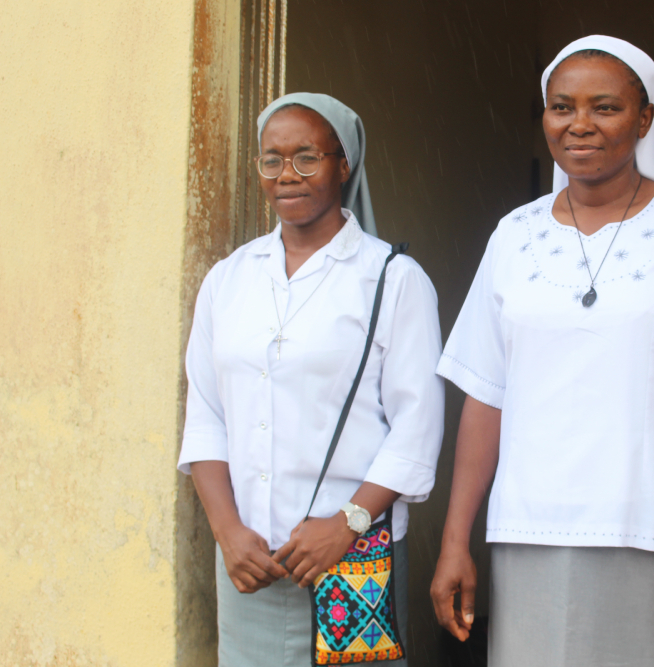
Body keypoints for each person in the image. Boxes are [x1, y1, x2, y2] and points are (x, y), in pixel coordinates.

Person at [429, 36, 654, 666]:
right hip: (528, 531)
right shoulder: (514, 235)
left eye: (605, 107)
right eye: (561, 107)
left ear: (645, 118)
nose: (580, 126)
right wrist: (455, 538)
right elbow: (485, 397)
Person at [178, 93, 445, 666]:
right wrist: (228, 532)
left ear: (343, 164)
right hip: (249, 568)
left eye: (307, 158)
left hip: (351, 565)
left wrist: (345, 524)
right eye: (271, 160)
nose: (287, 176)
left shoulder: (393, 281)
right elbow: (205, 417)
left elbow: (417, 429)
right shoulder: (228, 280)